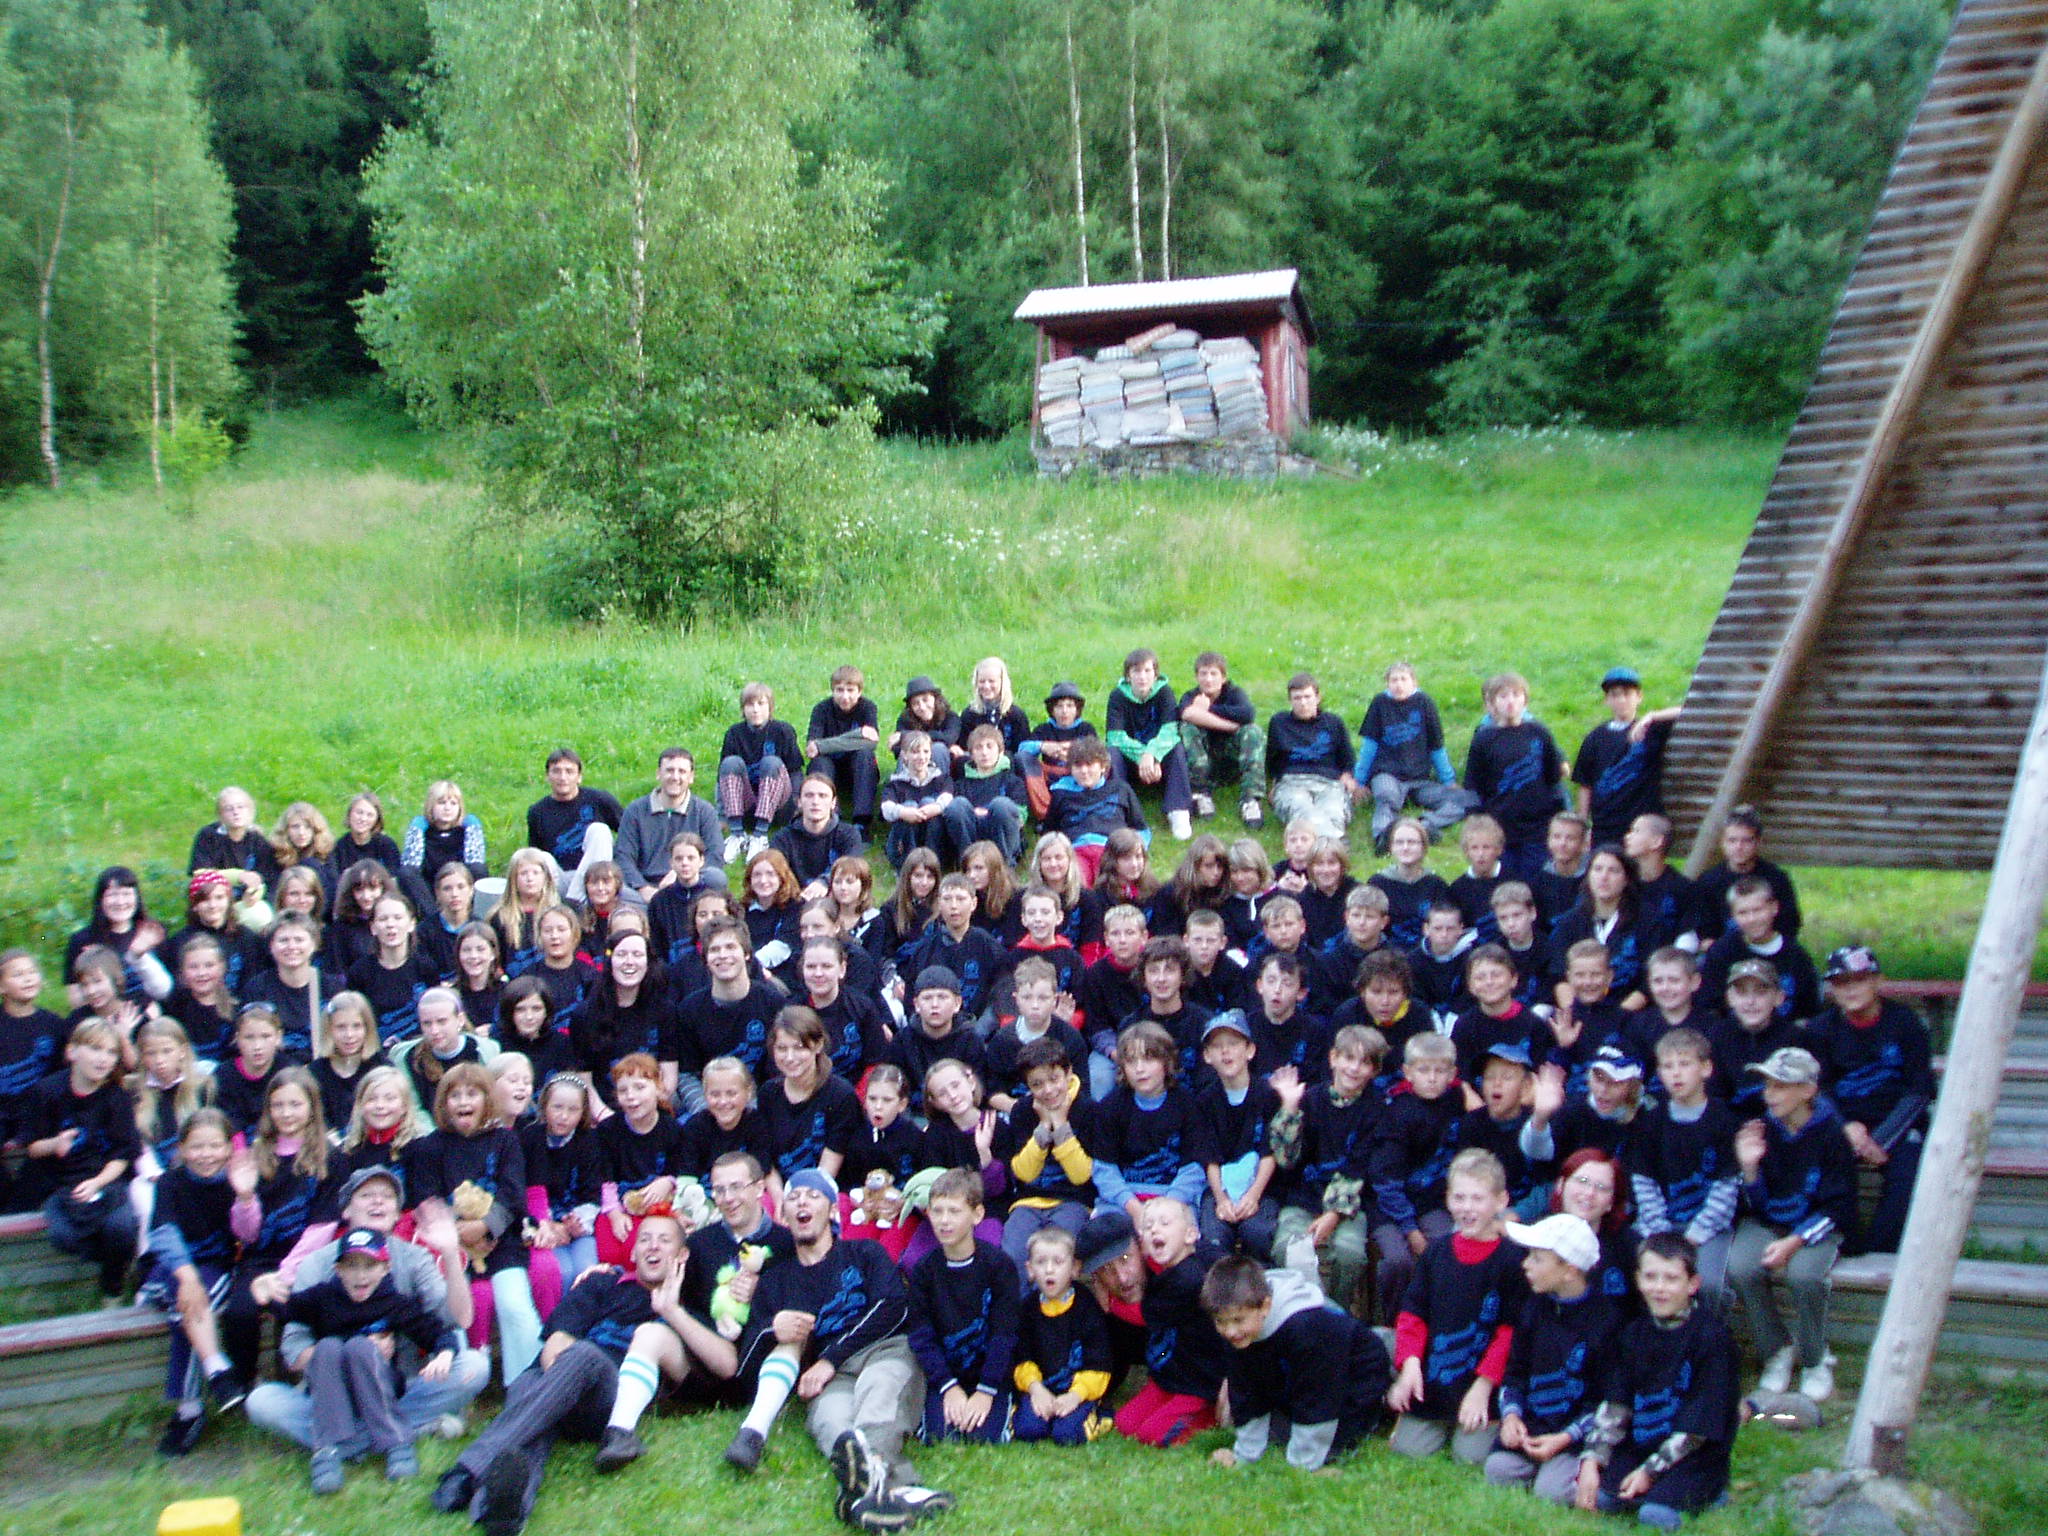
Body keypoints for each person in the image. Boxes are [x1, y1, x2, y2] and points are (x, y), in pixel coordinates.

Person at [429, 1214, 694, 1536]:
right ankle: (502, 1515)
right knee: (530, 1385)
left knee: (583, 1357)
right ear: (634, 1251)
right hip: (556, 1377)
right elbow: (556, 1343)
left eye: (664, 1240)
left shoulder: (687, 1307)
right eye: (645, 1239)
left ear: (681, 1254)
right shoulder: (602, 1283)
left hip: (608, 1397)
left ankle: (466, 1470)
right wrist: (560, 1389)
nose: (652, 1246)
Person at [725, 1169, 955, 1526]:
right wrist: (772, 1330)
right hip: (830, 1379)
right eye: (794, 1197)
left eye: (813, 1195)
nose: (802, 1202)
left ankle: (870, 1491)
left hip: (883, 1351)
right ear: (785, 1215)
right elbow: (745, 1369)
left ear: (833, 1211)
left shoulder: (863, 1252)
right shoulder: (775, 1280)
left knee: (879, 1399)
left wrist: (830, 1359)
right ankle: (890, 1497)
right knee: (833, 1425)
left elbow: (894, 1306)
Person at [246, 1164, 490, 1459]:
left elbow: (456, 1320)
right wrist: (353, 1353)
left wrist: (450, 1253)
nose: (377, 1201)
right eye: (366, 1195)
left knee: (476, 1366)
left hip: (398, 1388)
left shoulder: (414, 1258)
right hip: (331, 1395)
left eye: (386, 1196)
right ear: (346, 1210)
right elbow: (294, 1349)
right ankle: (402, 1431)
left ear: (397, 1212)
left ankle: (341, 1442)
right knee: (261, 1401)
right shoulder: (317, 1264)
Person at [1578, 1234, 1742, 1530]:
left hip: (1694, 1454)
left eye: (1671, 1278)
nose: (1659, 1288)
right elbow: (1616, 1405)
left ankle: (1712, 1495)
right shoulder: (1632, 1334)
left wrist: (1649, 1472)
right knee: (1602, 1499)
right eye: (1651, 1277)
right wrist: (1592, 1461)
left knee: (1654, 1516)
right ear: (1638, 1280)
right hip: (1642, 1444)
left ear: (1692, 1284)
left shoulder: (1713, 1339)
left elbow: (1698, 1430)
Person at [288, 1225, 460, 1493]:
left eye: (370, 1266)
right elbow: (287, 1308)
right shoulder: (324, 1297)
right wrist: (265, 1292)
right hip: (333, 1396)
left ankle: (394, 1440)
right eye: (351, 1266)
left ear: (385, 1268)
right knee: (326, 1350)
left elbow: (436, 1332)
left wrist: (445, 1353)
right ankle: (328, 1449)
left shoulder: (392, 1302)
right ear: (338, 1270)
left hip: (379, 1390)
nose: (360, 1275)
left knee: (360, 1348)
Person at [1728, 1046, 1856, 1404]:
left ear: (1808, 1090)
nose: (1770, 1095)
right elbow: (1756, 1206)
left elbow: (1839, 1207)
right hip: (1770, 1223)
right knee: (1740, 1266)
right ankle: (1777, 1349)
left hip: (1818, 1226)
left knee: (1804, 1276)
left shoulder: (1832, 1134)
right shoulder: (1761, 1128)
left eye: (1781, 1086)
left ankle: (1815, 1358)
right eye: (1768, 1085)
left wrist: (1795, 1241)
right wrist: (1749, 1169)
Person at [1386, 1147, 1526, 1464]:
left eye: (1478, 1199)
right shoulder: (1436, 1253)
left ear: (1501, 1201)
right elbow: (1412, 1314)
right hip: (1435, 1379)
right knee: (1410, 1451)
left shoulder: (1512, 1260)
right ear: (1448, 1199)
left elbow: (1510, 1332)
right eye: (1459, 1198)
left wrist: (1484, 1386)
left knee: (1470, 1455)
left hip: (1481, 1381)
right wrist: (1410, 1366)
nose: (1467, 1208)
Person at [406, 1062, 543, 1385]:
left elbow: (513, 1195)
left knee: (515, 1306)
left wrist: (484, 1226)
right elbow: (425, 1202)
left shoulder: (505, 1141)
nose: (464, 1102)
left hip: (501, 1243)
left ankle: (525, 1387)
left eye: (472, 1094)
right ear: (443, 1103)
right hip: (449, 1250)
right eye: (455, 1096)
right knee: (449, 1310)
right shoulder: (429, 1147)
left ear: (487, 1100)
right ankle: (454, 1387)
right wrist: (458, 1234)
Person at [1202, 1252, 1391, 1471]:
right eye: (1220, 1322)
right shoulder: (1239, 1334)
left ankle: (1381, 1405)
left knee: (1332, 1440)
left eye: (1238, 1320)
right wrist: (1245, 1454)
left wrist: (1302, 1465)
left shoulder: (1307, 1328)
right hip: (1293, 1380)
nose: (1230, 1331)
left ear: (1265, 1306)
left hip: (1355, 1378)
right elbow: (1246, 1393)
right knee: (1271, 1429)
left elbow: (1318, 1396)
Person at [1802, 945, 1933, 1256]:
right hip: (1844, 1121)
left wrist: (1883, 1139)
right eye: (1841, 982)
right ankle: (1845, 1244)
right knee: (1827, 1167)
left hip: (1898, 1121)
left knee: (1909, 1173)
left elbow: (1921, 1089)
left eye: (1859, 980)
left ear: (1877, 981)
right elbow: (1818, 1089)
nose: (1850, 989)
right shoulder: (1820, 1029)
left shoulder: (1905, 1023)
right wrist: (1846, 1127)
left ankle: (1881, 1251)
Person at [1484, 1212, 1622, 1503]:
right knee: (1497, 1469)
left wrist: (1566, 1437)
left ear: (1570, 1271)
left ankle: (1567, 1473)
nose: (1525, 1264)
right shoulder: (1533, 1307)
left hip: (1574, 1434)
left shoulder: (1607, 1322)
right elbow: (1515, 1373)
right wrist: (1511, 1416)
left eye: (1537, 1259)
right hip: (1534, 1426)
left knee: (1552, 1492)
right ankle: (1538, 1464)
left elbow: (1605, 1401)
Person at [138, 1109, 247, 1457]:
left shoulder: (236, 1182)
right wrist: (187, 1277)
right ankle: (216, 1368)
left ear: (228, 1148)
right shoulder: (170, 1183)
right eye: (197, 1147)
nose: (206, 1154)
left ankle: (189, 1410)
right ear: (182, 1149)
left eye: (215, 1146)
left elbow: (247, 1233)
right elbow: (163, 1234)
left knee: (185, 1308)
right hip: (172, 1270)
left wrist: (245, 1196)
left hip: (216, 1269)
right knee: (185, 1293)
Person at [1268, 1023, 1384, 1308]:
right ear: (1333, 1058)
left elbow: (1361, 1165)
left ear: (1374, 1070)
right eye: (1348, 1058)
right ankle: (1298, 1312)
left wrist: (1333, 1214)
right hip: (1303, 1198)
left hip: (1349, 1206)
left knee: (1349, 1254)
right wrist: (1289, 1108)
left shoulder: (1377, 1108)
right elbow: (1285, 1158)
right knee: (1287, 1248)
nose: (1354, 1068)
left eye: (1364, 1062)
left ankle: (1336, 1313)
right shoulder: (1310, 1099)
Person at [23, 1017, 138, 1302]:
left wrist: (97, 1182)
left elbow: (123, 1154)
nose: (104, 1059)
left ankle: (112, 1288)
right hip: (61, 1184)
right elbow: (32, 1147)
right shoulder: (47, 1091)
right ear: (72, 1051)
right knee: (63, 1236)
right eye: (96, 1049)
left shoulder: (116, 1096)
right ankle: (116, 1260)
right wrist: (55, 1144)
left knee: (121, 1227)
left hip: (106, 1180)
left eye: (111, 1052)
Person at [907, 1167, 1021, 1443]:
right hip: (946, 1377)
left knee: (984, 1437)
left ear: (977, 1214)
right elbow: (922, 1336)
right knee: (939, 1437)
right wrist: (948, 1387)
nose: (944, 1221)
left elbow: (1005, 1334)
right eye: (937, 1211)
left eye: (954, 1211)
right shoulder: (924, 1271)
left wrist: (986, 1390)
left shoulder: (999, 1266)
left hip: (991, 1376)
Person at [1630, 1029, 1739, 1303]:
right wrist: (1661, 1233)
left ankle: (1709, 1328)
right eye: (1667, 1066)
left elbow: (1726, 1188)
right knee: (1638, 1272)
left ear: (1706, 1068)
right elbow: (1644, 1182)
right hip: (1659, 1224)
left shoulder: (1724, 1121)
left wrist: (1694, 1237)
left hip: (1708, 1228)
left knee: (1708, 1284)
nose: (1676, 1074)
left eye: (1684, 1064)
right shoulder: (1651, 1122)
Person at [1367, 1031, 1463, 1325]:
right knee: (1398, 1261)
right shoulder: (1398, 1112)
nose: (1432, 1078)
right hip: (1387, 1206)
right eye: (1423, 1070)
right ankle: (1393, 1322)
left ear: (1452, 1075)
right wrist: (1410, 1229)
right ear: (1408, 1072)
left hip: (1430, 1201)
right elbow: (1385, 1180)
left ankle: (1440, 1321)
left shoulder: (1454, 1101)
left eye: (1440, 1071)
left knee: (1447, 1247)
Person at [1118, 1196, 1226, 1445]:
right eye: (1148, 1226)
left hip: (1198, 1383)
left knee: (1152, 1435)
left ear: (1190, 1235)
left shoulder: (1188, 1278)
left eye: (1165, 1223)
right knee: (1125, 1423)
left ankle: (1208, 1414)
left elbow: (1143, 1315)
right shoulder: (1168, 1271)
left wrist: (1110, 1303)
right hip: (1170, 1376)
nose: (1155, 1230)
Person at [996, 1036, 1099, 1265]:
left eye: (1054, 1079)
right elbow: (1024, 1173)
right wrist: (1043, 1129)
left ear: (1068, 1073)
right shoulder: (1022, 1111)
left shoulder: (1089, 1110)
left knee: (1057, 1255)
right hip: (1028, 1202)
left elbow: (1082, 1175)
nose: (1048, 1090)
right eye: (1037, 1084)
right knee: (1013, 1256)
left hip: (1074, 1201)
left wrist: (1060, 1127)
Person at [1010, 1225, 1114, 1445]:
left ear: (1074, 1268)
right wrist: (1036, 1389)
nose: (1049, 1270)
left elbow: (1099, 1361)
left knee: (1066, 1435)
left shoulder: (1087, 1307)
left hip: (1079, 1391)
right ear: (1030, 1269)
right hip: (1042, 1389)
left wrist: (1076, 1395)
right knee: (1027, 1429)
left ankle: (1100, 1414)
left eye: (1058, 1262)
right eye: (1041, 1262)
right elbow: (1021, 1356)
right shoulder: (1027, 1309)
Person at [1190, 1012, 1279, 1257]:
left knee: (1257, 1233)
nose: (1225, 1052)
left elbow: (1269, 1152)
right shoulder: (1205, 1100)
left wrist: (1253, 1195)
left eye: (1233, 1044)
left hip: (1262, 1188)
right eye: (1217, 1046)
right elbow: (1210, 1157)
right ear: (1207, 1056)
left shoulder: (1267, 1095)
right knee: (1213, 1238)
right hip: (1219, 1188)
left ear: (1250, 1050)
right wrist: (1221, 1199)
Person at [1463, 673, 1566, 883]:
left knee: (1537, 881)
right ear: (1492, 704)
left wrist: (1560, 815)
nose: (1510, 701)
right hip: (1501, 826)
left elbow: (1553, 780)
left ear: (1525, 700)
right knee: (1505, 883)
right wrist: (1477, 821)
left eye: (1516, 695)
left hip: (1538, 827)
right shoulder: (1484, 739)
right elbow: (1474, 785)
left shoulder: (1539, 733)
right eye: (1503, 696)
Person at [1355, 662, 1468, 851]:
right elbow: (1369, 747)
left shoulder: (1424, 703)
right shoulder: (1380, 703)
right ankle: (1383, 835)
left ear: (1414, 682)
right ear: (1387, 683)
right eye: (1394, 680)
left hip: (1419, 778)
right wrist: (1359, 781)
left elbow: (1436, 746)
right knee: (1386, 797)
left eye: (1403, 679)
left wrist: (1448, 780)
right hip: (1388, 775)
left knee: (1462, 801)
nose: (1399, 684)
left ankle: (1424, 826)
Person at [1573, 668, 1681, 848]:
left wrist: (1652, 716)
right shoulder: (1595, 738)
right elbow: (1585, 784)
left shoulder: (1651, 730)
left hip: (1641, 827)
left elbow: (1687, 712)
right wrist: (1583, 825)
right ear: (1607, 700)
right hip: (1605, 827)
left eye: (1627, 694)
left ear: (1639, 697)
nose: (1621, 700)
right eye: (1615, 695)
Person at [1698, 877, 1819, 1023]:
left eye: (1758, 910)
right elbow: (1710, 1006)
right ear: (1733, 916)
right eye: (1743, 913)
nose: (1752, 919)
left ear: (1774, 908)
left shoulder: (1796, 956)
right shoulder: (1721, 953)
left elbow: (1809, 1009)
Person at [1104, 648, 1194, 841]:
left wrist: (1152, 754)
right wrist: (1142, 756)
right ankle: (1119, 809)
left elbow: (1170, 731)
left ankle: (1178, 809)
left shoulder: (1165, 693)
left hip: (1158, 760)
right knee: (1112, 752)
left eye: (1147, 671)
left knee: (1177, 748)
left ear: (1155, 674)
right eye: (1136, 671)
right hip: (1132, 761)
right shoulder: (1117, 696)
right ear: (1128, 676)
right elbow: (1115, 736)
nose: (1142, 677)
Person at [615, 748, 729, 900]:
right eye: (669, 770)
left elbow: (715, 855)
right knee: (618, 891)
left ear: (691, 777)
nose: (675, 777)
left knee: (716, 878)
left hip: (690, 885)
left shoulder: (704, 811)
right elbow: (623, 856)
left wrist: (679, 876)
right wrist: (642, 888)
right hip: (645, 890)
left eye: (682, 771)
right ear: (658, 774)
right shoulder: (635, 810)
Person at [1177, 651, 1266, 826]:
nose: (1208, 679)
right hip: (1203, 761)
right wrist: (1230, 725)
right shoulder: (1191, 696)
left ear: (1223, 678)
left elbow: (1247, 714)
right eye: (1203, 674)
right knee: (1187, 728)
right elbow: (1187, 714)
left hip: (1231, 759)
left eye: (1213, 674)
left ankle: (1250, 799)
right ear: (1196, 677)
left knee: (1253, 731)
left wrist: (1208, 709)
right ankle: (1200, 793)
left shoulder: (1234, 693)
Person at [718, 683, 804, 864]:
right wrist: (721, 814)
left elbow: (795, 771)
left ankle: (760, 836)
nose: (755, 709)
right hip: (746, 804)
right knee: (731, 762)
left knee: (771, 762)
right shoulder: (734, 733)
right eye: (750, 705)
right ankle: (737, 834)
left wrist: (798, 805)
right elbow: (723, 777)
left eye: (761, 703)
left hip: (778, 803)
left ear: (770, 707)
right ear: (743, 708)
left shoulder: (783, 731)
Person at [1264, 672, 1357, 838]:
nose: (1303, 703)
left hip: (1328, 782)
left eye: (1307, 697)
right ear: (1290, 700)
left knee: (1333, 810)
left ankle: (1326, 844)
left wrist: (1347, 776)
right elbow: (1272, 760)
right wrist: (1273, 784)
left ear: (1318, 697)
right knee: (1302, 810)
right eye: (1297, 698)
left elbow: (1347, 758)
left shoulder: (1333, 722)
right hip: (1292, 782)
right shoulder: (1279, 722)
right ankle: (1333, 842)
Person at [524, 748, 622, 903]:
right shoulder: (537, 812)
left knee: (600, 830)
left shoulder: (599, 800)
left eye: (569, 772)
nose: (563, 777)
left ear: (579, 777)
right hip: (561, 879)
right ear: (547, 776)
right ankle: (569, 902)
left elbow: (627, 835)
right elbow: (536, 856)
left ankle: (576, 900)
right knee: (541, 857)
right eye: (556, 771)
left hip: (598, 879)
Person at [1692, 805, 1803, 941]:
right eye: (1732, 840)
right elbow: (1705, 934)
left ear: (1758, 842)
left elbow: (1789, 926)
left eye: (1746, 840)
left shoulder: (1777, 879)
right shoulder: (1708, 882)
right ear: (1722, 843)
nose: (1739, 847)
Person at [806, 666, 884, 836]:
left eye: (850, 690)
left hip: (858, 772)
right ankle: (832, 817)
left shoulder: (867, 708)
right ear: (832, 691)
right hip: (829, 771)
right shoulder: (821, 709)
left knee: (865, 755)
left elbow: (870, 743)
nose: (845, 696)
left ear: (859, 691)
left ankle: (861, 822)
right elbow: (812, 749)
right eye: (839, 690)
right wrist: (857, 735)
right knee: (820, 761)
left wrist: (823, 746)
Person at [880, 730, 973, 871]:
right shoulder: (895, 783)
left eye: (925, 752)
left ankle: (933, 865)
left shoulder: (941, 779)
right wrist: (904, 812)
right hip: (906, 841)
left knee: (929, 802)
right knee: (909, 805)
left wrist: (935, 808)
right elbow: (886, 809)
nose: (921, 757)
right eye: (915, 752)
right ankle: (908, 867)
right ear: (904, 755)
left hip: (935, 839)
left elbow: (948, 799)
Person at [773, 776, 866, 898]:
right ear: (799, 802)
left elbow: (853, 868)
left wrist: (824, 882)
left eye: (822, 796)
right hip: (795, 899)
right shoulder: (783, 838)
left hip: (838, 898)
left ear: (833, 803)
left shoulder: (849, 834)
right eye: (809, 795)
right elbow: (775, 873)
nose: (815, 801)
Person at [1370, 817, 1451, 953]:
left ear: (1423, 847)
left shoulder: (1436, 885)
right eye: (1399, 842)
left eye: (1412, 842)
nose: (1405, 847)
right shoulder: (1377, 884)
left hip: (1427, 955)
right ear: (1391, 847)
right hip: (1387, 956)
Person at [189, 785, 282, 898]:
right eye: (229, 809)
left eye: (240, 807)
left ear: (250, 811)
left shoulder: (257, 839)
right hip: (214, 898)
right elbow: (199, 874)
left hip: (248, 899)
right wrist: (238, 876)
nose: (236, 812)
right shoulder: (208, 835)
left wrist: (255, 895)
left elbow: (267, 877)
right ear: (220, 814)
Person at [954, 727, 1028, 865]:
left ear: (1000, 751)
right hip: (974, 835)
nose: (984, 752)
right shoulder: (961, 785)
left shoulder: (1012, 781)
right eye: (978, 748)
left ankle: (1003, 865)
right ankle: (969, 863)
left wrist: (989, 812)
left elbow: (1020, 818)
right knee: (957, 805)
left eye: (989, 746)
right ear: (971, 754)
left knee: (1000, 805)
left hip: (1003, 837)